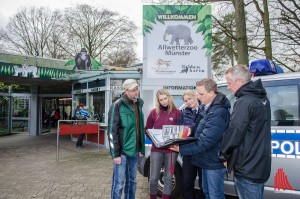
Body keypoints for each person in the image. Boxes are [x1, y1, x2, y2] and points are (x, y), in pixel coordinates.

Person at [170, 78, 231, 199]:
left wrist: (181, 149)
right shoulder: (208, 108)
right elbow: (198, 130)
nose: (198, 96)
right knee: (208, 194)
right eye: (197, 93)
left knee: (215, 196)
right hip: (207, 160)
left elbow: (204, 141)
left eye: (201, 94)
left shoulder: (217, 112)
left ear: (212, 92)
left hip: (213, 162)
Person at [218, 65, 271, 199]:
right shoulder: (262, 98)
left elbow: (234, 132)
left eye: (229, 83)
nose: (228, 87)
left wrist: (224, 155)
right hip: (259, 165)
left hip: (247, 166)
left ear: (240, 82)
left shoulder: (244, 102)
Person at [107, 79, 145, 199]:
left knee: (132, 181)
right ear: (126, 91)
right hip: (122, 152)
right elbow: (112, 132)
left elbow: (139, 128)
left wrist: (140, 148)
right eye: (133, 90)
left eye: (137, 88)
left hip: (134, 151)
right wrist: (115, 154)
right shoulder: (117, 105)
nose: (136, 92)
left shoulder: (138, 104)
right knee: (119, 184)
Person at [145, 89, 181, 199]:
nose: (164, 101)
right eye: (161, 100)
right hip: (157, 150)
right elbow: (147, 129)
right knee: (154, 177)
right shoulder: (153, 112)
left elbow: (181, 131)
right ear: (158, 101)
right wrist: (154, 139)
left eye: (165, 98)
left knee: (169, 177)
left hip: (171, 151)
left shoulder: (177, 112)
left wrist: (177, 143)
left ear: (169, 97)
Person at [177, 90, 204, 199]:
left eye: (190, 99)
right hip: (188, 152)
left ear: (196, 97)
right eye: (185, 100)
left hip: (202, 151)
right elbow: (179, 130)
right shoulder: (183, 113)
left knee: (204, 184)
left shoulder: (205, 110)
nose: (188, 102)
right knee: (187, 181)